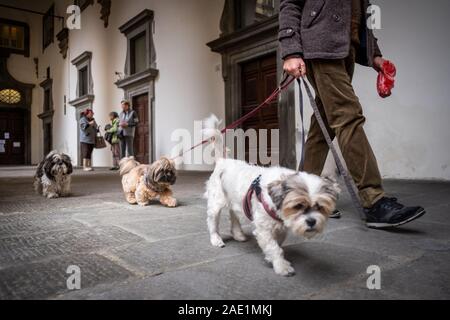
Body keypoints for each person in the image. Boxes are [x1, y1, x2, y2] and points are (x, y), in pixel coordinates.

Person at [279, 0, 425, 228]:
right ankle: (373, 200)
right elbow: (290, 3)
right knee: (348, 115)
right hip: (321, 43)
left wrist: (374, 54)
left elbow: (363, 13)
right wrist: (291, 50)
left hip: (346, 49)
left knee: (323, 124)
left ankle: (302, 196)